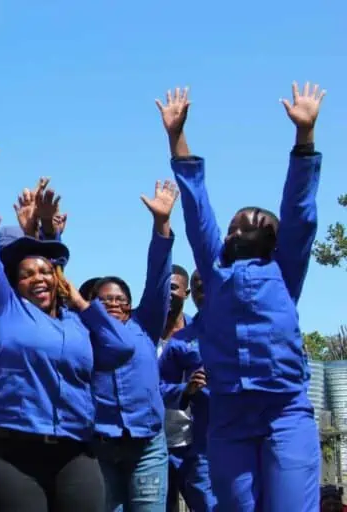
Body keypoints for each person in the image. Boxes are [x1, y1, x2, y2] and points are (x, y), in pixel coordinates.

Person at [160, 82, 324, 510]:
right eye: (232, 226)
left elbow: (300, 212)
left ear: (272, 239)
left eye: (249, 224)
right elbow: (197, 210)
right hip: (229, 416)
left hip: (284, 412)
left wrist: (304, 136)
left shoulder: (284, 270)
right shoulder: (215, 272)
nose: (236, 229)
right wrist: (177, 137)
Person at [0, 139, 135, 511]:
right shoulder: (3, 311)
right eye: (26, 274)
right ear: (14, 282)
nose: (37, 278)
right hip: (10, 453)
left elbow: (121, 349)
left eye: (45, 271)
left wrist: (83, 303)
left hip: (74, 452)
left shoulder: (77, 323)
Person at [90, 180, 177, 511]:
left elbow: (158, 277)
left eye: (119, 299)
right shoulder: (83, 333)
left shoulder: (145, 325)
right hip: (100, 446)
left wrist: (161, 224)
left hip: (147, 446)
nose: (113, 304)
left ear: (129, 305)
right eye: (104, 300)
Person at [159, 266, 216, 512]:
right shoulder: (178, 340)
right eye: (200, 287)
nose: (206, 293)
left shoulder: (245, 328)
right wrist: (186, 390)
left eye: (173, 287)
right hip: (164, 443)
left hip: (209, 441)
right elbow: (157, 387)